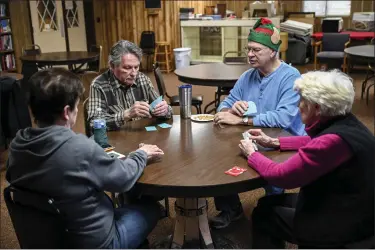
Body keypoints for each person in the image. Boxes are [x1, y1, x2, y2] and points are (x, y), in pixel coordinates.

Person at [6, 68, 165, 249]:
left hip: (44, 238)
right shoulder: (80, 149)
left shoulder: (17, 145)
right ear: (67, 112)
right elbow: (123, 179)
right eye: (76, 105)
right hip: (94, 243)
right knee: (150, 208)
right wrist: (141, 154)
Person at [238, 70, 374, 248]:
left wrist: (252, 154)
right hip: (354, 204)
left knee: (264, 216)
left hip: (345, 223)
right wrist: (275, 142)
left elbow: (282, 176)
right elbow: (318, 142)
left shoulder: (331, 142)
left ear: (317, 107)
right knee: (267, 202)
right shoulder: (347, 122)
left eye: (303, 100)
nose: (299, 105)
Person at [210, 17, 305, 229]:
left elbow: (282, 119)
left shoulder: (290, 77)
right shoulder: (247, 76)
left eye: (256, 50)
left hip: (282, 141)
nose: (250, 54)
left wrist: (242, 119)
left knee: (271, 186)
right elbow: (222, 107)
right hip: (251, 136)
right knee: (219, 157)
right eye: (248, 49)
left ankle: (272, 209)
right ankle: (231, 208)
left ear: (272, 51)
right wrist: (229, 109)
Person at [88, 40, 172, 130]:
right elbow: (94, 123)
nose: (134, 73)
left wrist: (165, 110)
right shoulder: (98, 85)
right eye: (127, 68)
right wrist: (126, 115)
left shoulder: (143, 79)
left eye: (136, 67)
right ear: (112, 66)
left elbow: (166, 110)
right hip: (115, 140)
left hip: (142, 137)